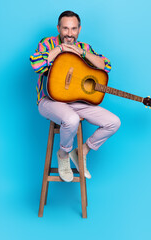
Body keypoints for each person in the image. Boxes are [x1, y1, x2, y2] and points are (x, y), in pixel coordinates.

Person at [30, 10, 120, 182]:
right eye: (65, 28)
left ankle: (81, 152)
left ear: (79, 29)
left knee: (113, 122)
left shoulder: (85, 48)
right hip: (49, 101)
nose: (69, 34)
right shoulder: (47, 43)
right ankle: (63, 154)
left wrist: (83, 54)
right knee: (71, 119)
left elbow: (105, 66)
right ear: (58, 28)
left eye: (73, 29)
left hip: (76, 101)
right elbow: (37, 64)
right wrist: (60, 49)